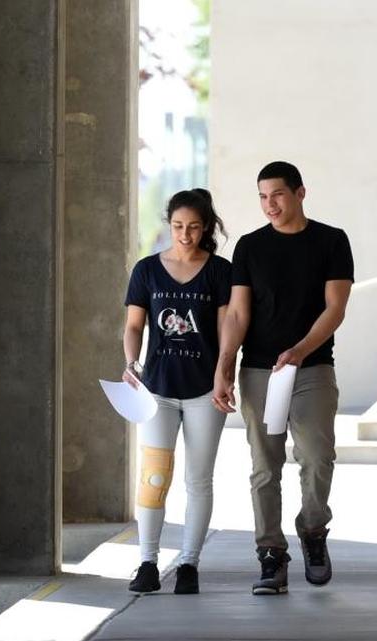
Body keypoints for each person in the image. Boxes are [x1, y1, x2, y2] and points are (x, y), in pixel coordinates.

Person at [212, 161, 354, 595]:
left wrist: (299, 350)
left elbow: (335, 309)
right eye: (262, 196)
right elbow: (237, 313)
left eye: (277, 194)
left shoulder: (331, 241)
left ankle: (313, 531)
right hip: (258, 370)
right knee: (264, 467)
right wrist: (224, 366)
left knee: (316, 456)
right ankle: (270, 554)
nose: (269, 204)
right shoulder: (250, 247)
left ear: (300, 193)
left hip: (311, 367)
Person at [123, 188, 232, 595]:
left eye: (193, 227)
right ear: (168, 225)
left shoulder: (220, 272)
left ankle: (189, 564)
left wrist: (226, 373)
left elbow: (226, 331)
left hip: (205, 391)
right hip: (157, 391)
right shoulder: (147, 270)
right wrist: (132, 363)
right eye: (178, 226)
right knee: (153, 477)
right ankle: (147, 563)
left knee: (199, 480)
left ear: (205, 228)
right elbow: (135, 326)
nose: (185, 234)